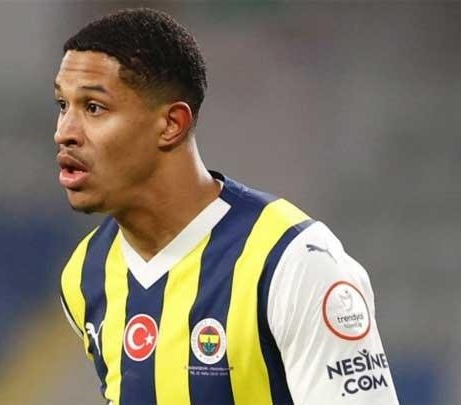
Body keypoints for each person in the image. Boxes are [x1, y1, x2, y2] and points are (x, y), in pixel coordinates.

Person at [55, 8, 399, 405]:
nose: (64, 132)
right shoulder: (84, 275)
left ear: (171, 124)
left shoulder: (292, 261)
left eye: (94, 108)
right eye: (62, 105)